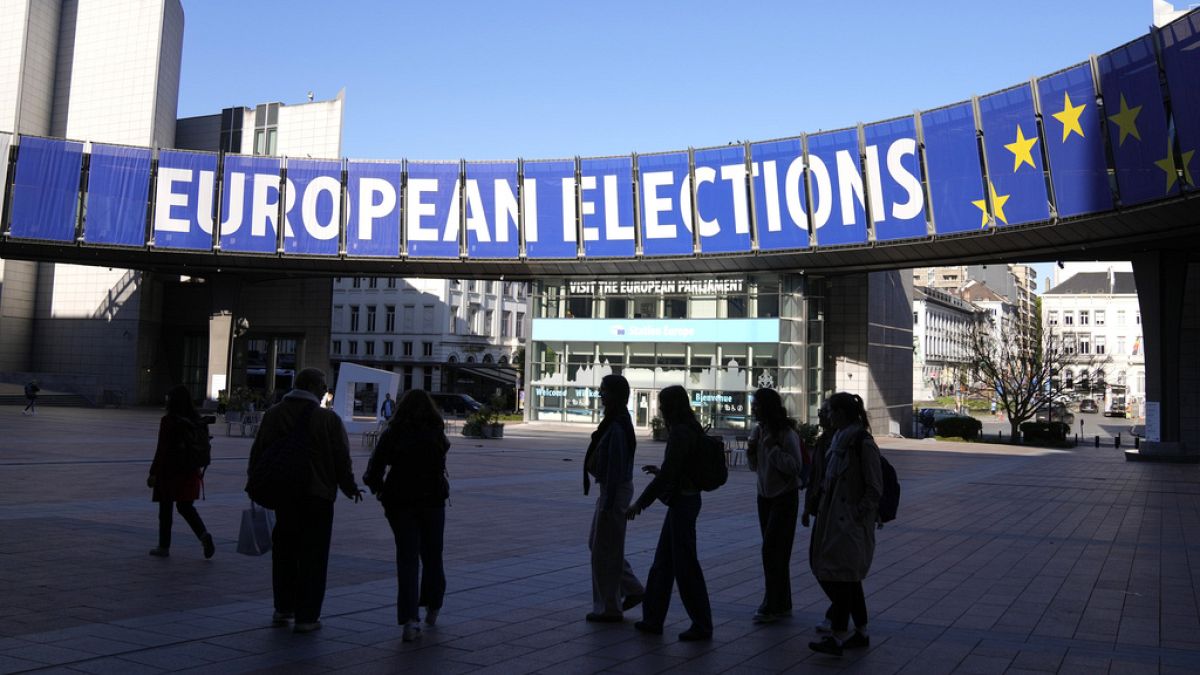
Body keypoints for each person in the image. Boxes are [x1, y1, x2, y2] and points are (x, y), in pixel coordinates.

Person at [249, 367, 363, 634]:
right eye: (323, 383)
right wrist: (349, 487)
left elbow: (259, 451)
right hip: (317, 495)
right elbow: (340, 458)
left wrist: (254, 481)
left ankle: (283, 608)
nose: (326, 388)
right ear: (313, 386)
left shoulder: (274, 414)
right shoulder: (327, 420)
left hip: (284, 493)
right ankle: (307, 616)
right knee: (314, 554)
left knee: (285, 551)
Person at [625, 385, 713, 642]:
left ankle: (701, 623)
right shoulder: (689, 428)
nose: (660, 409)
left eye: (663, 404)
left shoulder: (680, 433)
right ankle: (653, 619)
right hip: (684, 501)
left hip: (683, 503)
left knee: (685, 567)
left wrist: (639, 504)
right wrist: (661, 472)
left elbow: (670, 475)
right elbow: (677, 469)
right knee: (664, 564)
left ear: (672, 407)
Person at [362, 389, 450, 643]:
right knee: (433, 555)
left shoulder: (394, 432)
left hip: (400, 500)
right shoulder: (436, 432)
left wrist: (379, 490)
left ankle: (409, 621)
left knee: (407, 559)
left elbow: (374, 467)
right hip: (433, 500)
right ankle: (433, 605)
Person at [802, 392, 882, 656]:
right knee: (846, 578)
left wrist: (856, 515)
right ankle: (861, 631)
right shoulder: (837, 441)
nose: (827, 415)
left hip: (848, 523)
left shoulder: (862, 443)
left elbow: (874, 487)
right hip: (832, 519)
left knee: (842, 579)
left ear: (843, 414)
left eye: (831, 411)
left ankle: (837, 636)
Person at [582, 374, 644, 623]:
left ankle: (609, 608)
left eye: (603, 390)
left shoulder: (617, 425)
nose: (600, 394)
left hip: (613, 491)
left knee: (604, 549)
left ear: (616, 395)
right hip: (610, 491)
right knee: (600, 546)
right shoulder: (615, 421)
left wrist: (608, 502)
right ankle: (632, 589)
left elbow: (616, 468)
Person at [745, 388, 803, 624]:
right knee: (774, 552)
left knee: (772, 551)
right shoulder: (759, 431)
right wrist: (752, 451)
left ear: (767, 407)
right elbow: (755, 468)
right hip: (765, 497)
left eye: (757, 404)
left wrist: (773, 448)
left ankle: (773, 602)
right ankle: (781, 603)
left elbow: (795, 466)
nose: (753, 408)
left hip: (784, 498)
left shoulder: (785, 434)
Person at [147, 385, 214, 559]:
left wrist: (153, 472)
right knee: (186, 507)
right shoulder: (196, 419)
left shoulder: (169, 421)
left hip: (169, 471)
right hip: (191, 470)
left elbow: (162, 450)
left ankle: (164, 546)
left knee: (165, 509)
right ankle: (203, 535)